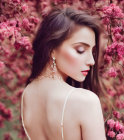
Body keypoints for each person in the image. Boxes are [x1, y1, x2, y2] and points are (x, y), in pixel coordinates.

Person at [21, 6, 107, 140]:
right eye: (80, 50)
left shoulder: (27, 93)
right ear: (52, 50)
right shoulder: (86, 101)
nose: (92, 61)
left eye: (93, 52)